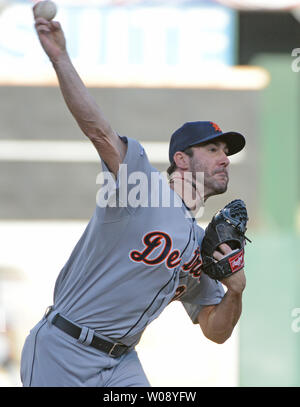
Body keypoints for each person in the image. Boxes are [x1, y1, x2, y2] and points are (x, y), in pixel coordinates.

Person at [20, 14, 246, 387]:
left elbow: (215, 330)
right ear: (181, 159)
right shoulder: (140, 187)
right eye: (212, 148)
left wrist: (235, 291)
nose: (224, 158)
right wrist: (60, 58)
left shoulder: (202, 246)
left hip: (122, 362)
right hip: (64, 348)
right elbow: (98, 130)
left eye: (227, 151)